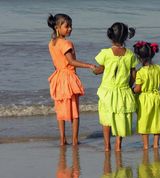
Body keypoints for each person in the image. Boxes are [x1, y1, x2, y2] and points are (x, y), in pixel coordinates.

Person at [47, 13, 95, 146]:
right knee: (74, 111)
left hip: (58, 77)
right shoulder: (66, 43)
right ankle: (74, 139)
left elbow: (56, 62)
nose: (70, 29)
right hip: (68, 78)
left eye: (71, 26)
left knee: (60, 110)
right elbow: (71, 61)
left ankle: (62, 138)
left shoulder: (52, 43)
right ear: (57, 27)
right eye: (67, 26)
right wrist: (89, 65)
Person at [93, 22, 137, 152]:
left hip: (107, 92)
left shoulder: (105, 53)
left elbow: (99, 69)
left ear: (110, 36)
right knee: (120, 118)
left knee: (106, 119)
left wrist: (94, 70)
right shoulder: (130, 55)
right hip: (123, 91)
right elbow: (133, 74)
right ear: (126, 38)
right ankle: (118, 145)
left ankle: (107, 146)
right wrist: (129, 86)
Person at [133, 41, 160, 150]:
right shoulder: (159, 68)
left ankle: (146, 145)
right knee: (156, 120)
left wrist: (132, 90)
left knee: (144, 121)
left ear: (139, 57)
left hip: (145, 99)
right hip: (156, 97)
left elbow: (138, 89)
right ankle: (156, 144)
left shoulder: (140, 72)